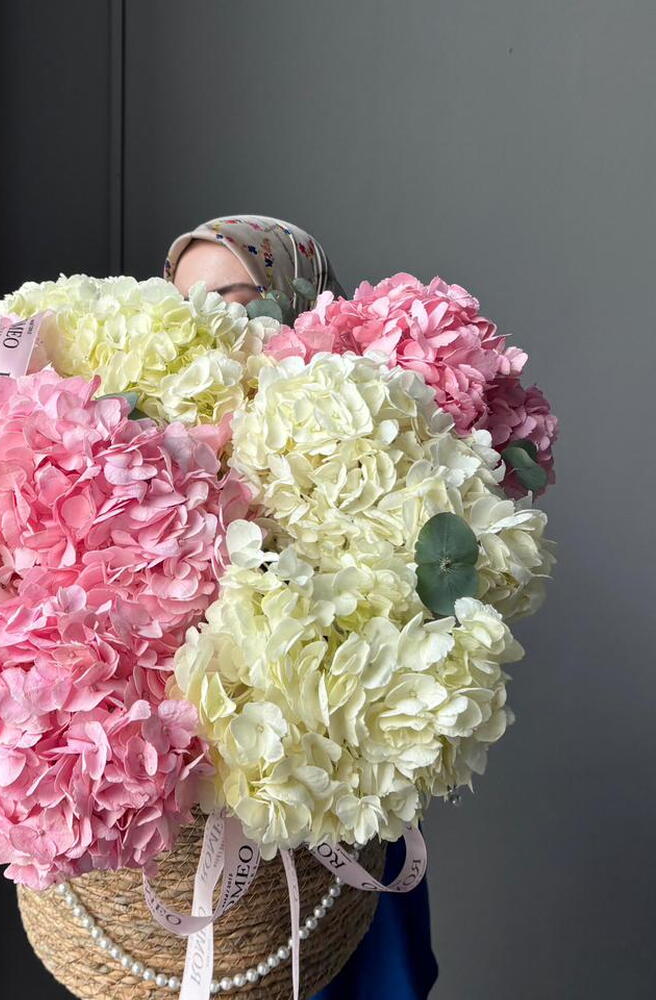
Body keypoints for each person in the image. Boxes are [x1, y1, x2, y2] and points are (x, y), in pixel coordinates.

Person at [163, 214, 440, 1000]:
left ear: (296, 294)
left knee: (352, 975)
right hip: (208, 810)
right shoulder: (160, 432)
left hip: (332, 784)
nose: (207, 321)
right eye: (183, 303)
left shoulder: (374, 436)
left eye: (232, 296)